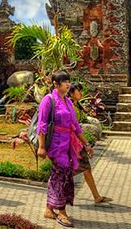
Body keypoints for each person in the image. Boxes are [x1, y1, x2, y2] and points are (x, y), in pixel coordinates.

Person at [37, 70, 92, 228]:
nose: (68, 84)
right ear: (56, 84)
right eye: (64, 82)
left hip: (67, 145)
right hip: (54, 146)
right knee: (64, 177)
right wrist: (41, 147)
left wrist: (86, 144)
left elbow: (75, 126)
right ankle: (62, 212)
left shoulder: (68, 102)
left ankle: (49, 209)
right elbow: (42, 125)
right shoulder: (48, 100)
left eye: (68, 81)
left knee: (56, 177)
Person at [67, 82, 112, 205]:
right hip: (70, 142)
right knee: (68, 171)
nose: (81, 93)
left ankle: (96, 196)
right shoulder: (68, 105)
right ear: (71, 93)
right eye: (78, 91)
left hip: (77, 142)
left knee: (86, 168)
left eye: (81, 91)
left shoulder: (77, 105)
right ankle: (61, 197)